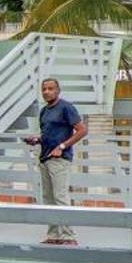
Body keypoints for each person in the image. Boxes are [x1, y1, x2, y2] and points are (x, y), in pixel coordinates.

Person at [25, 76, 86, 246]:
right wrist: (37, 140)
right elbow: (47, 133)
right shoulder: (44, 111)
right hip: (44, 157)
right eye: (44, 89)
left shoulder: (66, 107)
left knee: (60, 196)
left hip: (60, 158)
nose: (47, 92)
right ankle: (53, 234)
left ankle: (68, 236)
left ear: (58, 90)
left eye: (51, 88)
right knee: (48, 198)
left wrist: (63, 146)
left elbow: (82, 130)